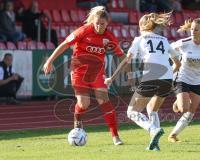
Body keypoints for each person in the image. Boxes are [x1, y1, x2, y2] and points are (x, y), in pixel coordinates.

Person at [43, 6, 125, 145]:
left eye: (102, 24)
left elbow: (121, 56)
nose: (99, 26)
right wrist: (50, 61)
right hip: (79, 71)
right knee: (83, 103)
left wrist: (126, 61)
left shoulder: (109, 37)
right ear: (93, 21)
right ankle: (77, 120)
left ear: (107, 23)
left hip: (97, 72)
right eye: (97, 23)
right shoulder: (83, 30)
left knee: (104, 100)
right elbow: (64, 44)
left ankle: (115, 136)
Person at [105, 12, 181, 150]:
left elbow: (126, 60)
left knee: (132, 112)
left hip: (151, 78)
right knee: (152, 109)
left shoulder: (139, 39)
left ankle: (153, 130)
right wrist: (169, 73)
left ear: (142, 26)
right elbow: (178, 63)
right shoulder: (164, 40)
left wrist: (112, 77)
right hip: (167, 80)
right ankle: (155, 145)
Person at [168, 18, 200, 142]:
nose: (193, 31)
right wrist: (176, 63)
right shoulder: (184, 42)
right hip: (182, 77)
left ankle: (173, 135)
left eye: (196, 29)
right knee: (184, 108)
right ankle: (179, 102)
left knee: (191, 112)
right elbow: (168, 49)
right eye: (192, 29)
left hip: (198, 80)